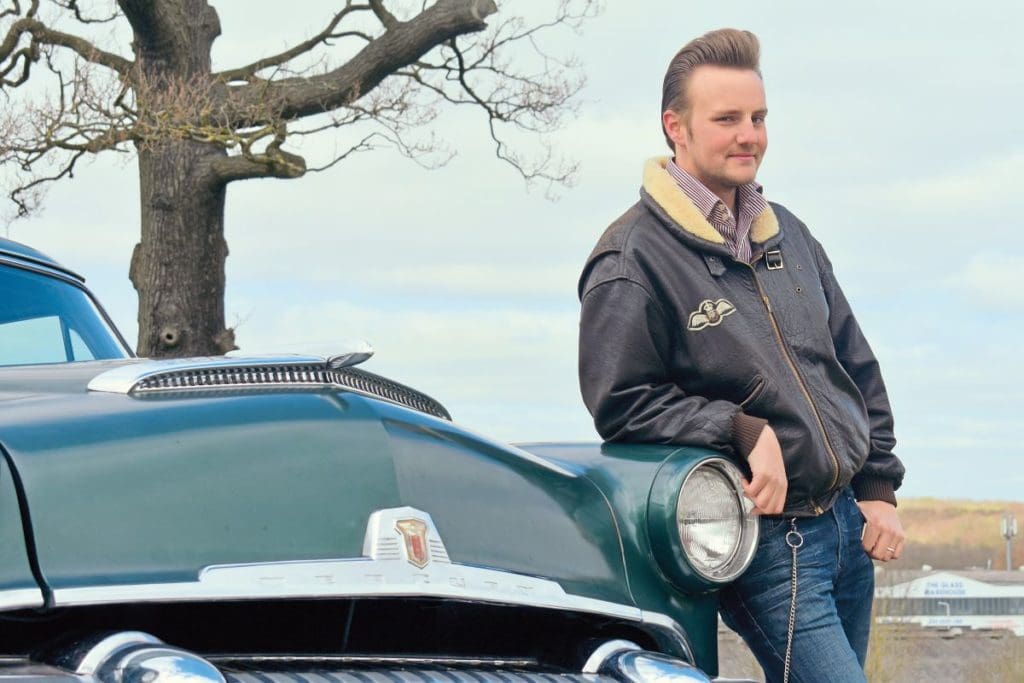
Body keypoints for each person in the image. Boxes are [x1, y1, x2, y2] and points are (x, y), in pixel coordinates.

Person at [577, 28, 906, 683]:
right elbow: (623, 402)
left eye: (758, 118)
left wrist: (878, 485)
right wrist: (737, 428)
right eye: (726, 119)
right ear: (676, 127)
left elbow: (851, 362)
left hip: (846, 528)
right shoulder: (631, 259)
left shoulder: (787, 231)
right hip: (773, 548)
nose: (748, 135)